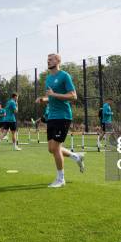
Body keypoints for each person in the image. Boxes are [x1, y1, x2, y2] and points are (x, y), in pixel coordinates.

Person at [36, 53, 84, 187]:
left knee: (56, 148)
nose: (48, 61)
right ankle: (76, 157)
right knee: (51, 149)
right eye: (47, 60)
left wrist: (53, 94)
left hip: (63, 116)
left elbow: (73, 96)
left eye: (51, 59)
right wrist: (43, 99)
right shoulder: (48, 79)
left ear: (58, 61)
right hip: (52, 116)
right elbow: (51, 97)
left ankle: (60, 179)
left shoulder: (64, 76)